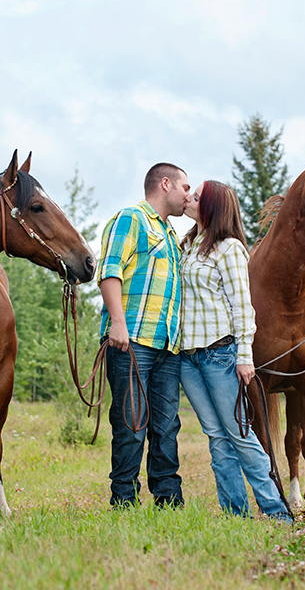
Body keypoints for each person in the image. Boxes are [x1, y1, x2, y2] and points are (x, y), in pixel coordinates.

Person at [178, 180, 293, 522]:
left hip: (219, 355)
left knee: (241, 435)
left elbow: (243, 308)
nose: (188, 199)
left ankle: (276, 512)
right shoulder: (188, 243)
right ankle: (235, 515)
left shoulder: (229, 249)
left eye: (196, 197)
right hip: (188, 357)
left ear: (211, 207)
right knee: (216, 437)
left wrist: (245, 356)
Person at [97, 163, 190, 509]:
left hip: (167, 345)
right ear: (165, 184)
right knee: (131, 425)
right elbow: (109, 271)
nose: (188, 196)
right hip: (132, 340)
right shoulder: (131, 219)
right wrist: (117, 323)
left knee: (166, 425)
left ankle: (168, 497)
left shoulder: (170, 234)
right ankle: (123, 498)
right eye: (184, 187)